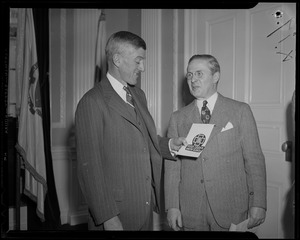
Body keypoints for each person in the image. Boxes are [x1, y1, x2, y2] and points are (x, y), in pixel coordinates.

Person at [75, 31, 186, 231]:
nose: (142, 68)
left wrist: (169, 144)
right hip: (115, 213)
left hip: (143, 207)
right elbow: (89, 168)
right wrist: (108, 217)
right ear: (117, 59)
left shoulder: (138, 94)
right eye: (138, 61)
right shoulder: (92, 102)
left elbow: (143, 140)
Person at [164, 54, 267, 231]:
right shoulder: (177, 118)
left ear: (215, 76)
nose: (193, 80)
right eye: (189, 75)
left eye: (199, 74)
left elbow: (254, 160)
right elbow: (173, 168)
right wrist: (172, 206)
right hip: (191, 211)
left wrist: (258, 202)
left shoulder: (240, 111)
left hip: (230, 209)